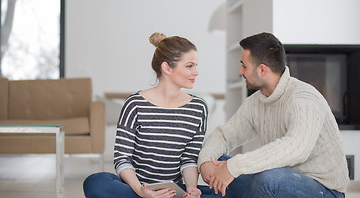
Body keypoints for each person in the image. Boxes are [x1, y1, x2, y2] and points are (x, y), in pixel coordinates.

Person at [198, 32, 349, 198]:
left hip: (324, 189)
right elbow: (225, 136)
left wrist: (234, 167)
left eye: (244, 65)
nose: (240, 71)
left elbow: (296, 149)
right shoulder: (256, 102)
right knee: (218, 161)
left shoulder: (303, 98)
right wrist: (206, 161)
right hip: (277, 183)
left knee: (267, 180)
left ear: (262, 70)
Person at [83, 32, 224, 198]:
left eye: (196, 65)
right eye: (189, 66)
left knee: (225, 193)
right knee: (95, 183)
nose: (196, 72)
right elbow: (122, 159)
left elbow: (189, 158)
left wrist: (192, 187)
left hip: (174, 190)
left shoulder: (198, 108)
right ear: (166, 68)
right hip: (136, 187)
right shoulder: (135, 104)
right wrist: (141, 191)